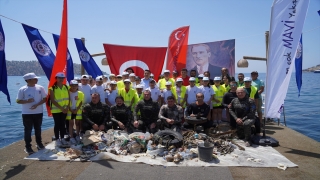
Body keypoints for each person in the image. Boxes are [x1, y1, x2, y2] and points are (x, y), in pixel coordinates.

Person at [17, 73, 47, 154]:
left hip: (38, 112)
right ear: (28, 80)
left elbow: (45, 98)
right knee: (28, 130)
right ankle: (28, 146)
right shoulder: (22, 89)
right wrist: (27, 101)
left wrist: (37, 104)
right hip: (27, 113)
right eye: (34, 79)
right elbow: (18, 100)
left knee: (38, 128)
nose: (37, 80)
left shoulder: (40, 88)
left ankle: (39, 143)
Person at [49, 72, 70, 147]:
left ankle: (62, 138)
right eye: (59, 78)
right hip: (56, 110)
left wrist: (67, 107)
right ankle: (57, 139)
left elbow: (68, 98)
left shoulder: (66, 87)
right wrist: (62, 108)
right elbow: (53, 100)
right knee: (57, 124)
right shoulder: (52, 88)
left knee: (63, 124)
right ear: (56, 78)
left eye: (62, 78)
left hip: (64, 109)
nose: (61, 79)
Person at [66, 80, 84, 144]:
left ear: (77, 86)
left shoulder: (80, 93)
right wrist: (71, 110)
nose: (74, 87)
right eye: (72, 85)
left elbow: (81, 102)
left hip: (77, 110)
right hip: (69, 110)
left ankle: (77, 135)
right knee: (71, 124)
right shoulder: (67, 92)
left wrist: (76, 109)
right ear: (70, 86)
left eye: (75, 85)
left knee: (77, 123)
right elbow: (66, 102)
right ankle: (71, 137)